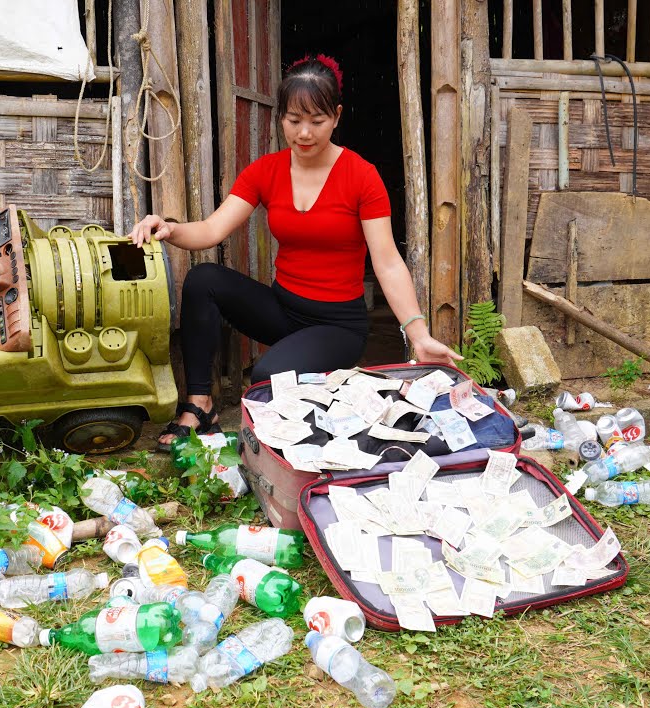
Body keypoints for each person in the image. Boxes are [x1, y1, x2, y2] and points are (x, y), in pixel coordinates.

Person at [129, 54, 462, 451]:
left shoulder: (362, 176)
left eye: (317, 121)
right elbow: (212, 229)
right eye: (293, 120)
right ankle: (200, 406)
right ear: (281, 118)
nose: (304, 133)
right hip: (284, 310)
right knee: (204, 280)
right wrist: (169, 228)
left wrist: (418, 333)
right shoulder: (265, 171)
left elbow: (388, 262)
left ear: (336, 117)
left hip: (337, 327)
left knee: (267, 379)